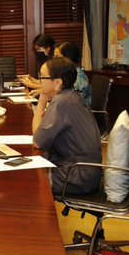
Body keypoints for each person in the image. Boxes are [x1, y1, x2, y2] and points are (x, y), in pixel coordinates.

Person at [32, 57, 102, 196]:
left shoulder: (61, 102)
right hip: (86, 171)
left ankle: (43, 217)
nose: (39, 81)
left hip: (75, 176)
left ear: (57, 83)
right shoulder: (71, 96)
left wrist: (41, 101)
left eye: (42, 77)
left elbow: (37, 141)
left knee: (28, 178)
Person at [53, 41, 92, 106]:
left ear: (68, 58)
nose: (54, 60)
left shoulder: (78, 78)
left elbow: (70, 101)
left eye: (58, 57)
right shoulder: (68, 73)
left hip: (77, 113)